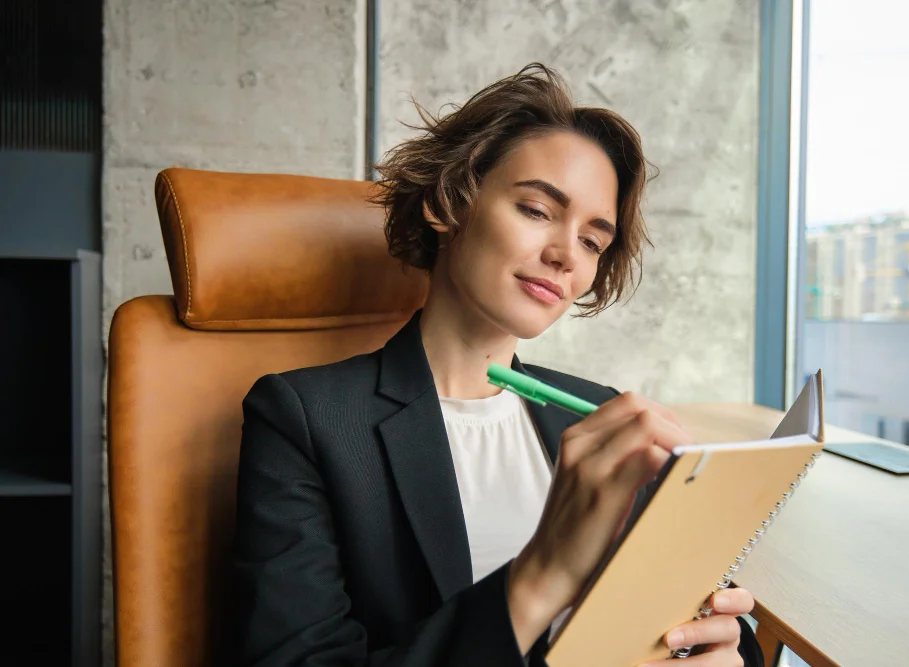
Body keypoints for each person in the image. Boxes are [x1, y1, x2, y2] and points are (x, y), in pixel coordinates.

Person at [233, 63, 764, 667]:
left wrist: (725, 651)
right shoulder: (304, 418)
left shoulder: (602, 416)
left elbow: (694, 614)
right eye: (537, 210)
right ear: (445, 203)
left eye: (593, 241)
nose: (566, 255)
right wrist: (542, 573)